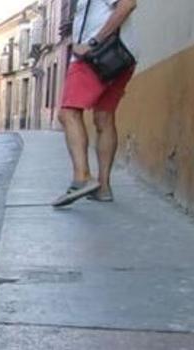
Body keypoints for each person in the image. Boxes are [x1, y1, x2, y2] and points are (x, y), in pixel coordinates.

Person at [52, 0, 138, 207]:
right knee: (104, 118)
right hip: (120, 56)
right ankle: (103, 187)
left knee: (68, 113)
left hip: (95, 56)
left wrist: (93, 42)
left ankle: (82, 178)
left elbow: (127, 4)